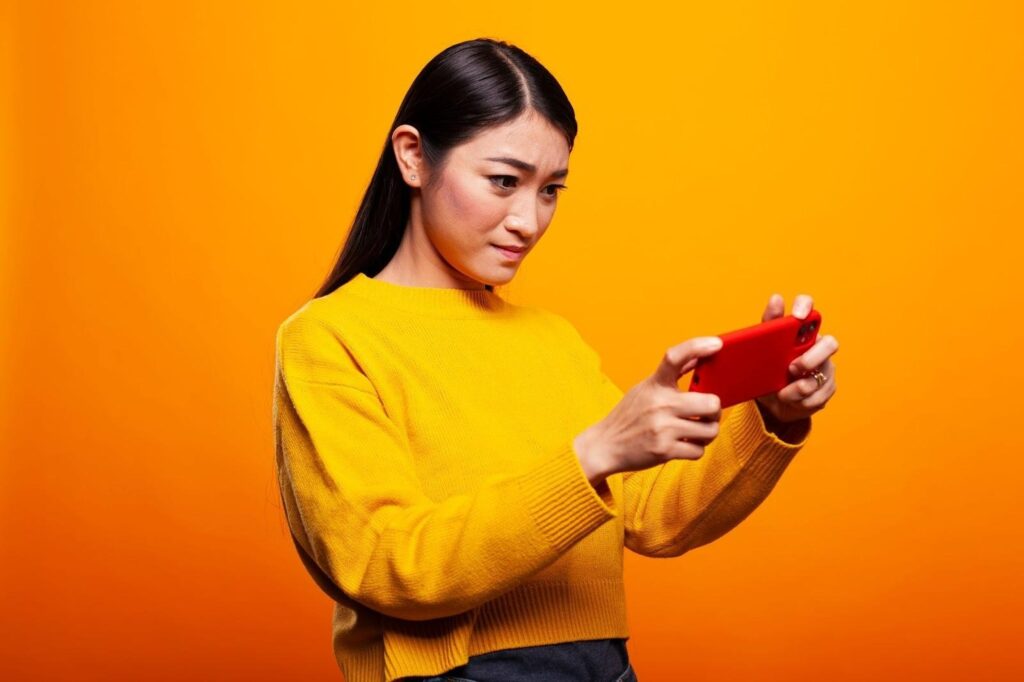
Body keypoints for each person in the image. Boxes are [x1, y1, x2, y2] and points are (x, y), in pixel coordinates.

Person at [272, 37, 839, 682]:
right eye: (504, 181)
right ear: (412, 157)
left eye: (551, 190)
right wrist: (592, 455)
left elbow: (655, 517)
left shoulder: (553, 338)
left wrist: (770, 413)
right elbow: (384, 561)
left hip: (605, 666)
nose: (528, 220)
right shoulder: (330, 337)